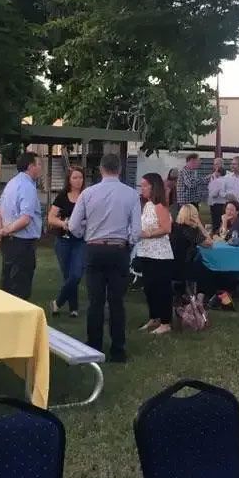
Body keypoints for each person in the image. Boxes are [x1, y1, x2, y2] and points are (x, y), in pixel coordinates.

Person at [69, 153, 141, 363]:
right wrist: (128, 241)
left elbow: (73, 226)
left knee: (95, 301)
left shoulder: (87, 194)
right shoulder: (131, 195)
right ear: (119, 170)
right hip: (119, 249)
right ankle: (118, 349)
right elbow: (136, 230)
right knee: (117, 301)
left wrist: (86, 232)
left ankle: (94, 345)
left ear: (100, 169)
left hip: (94, 248)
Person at [0, 152, 43, 299]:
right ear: (30, 166)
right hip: (22, 243)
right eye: (38, 164)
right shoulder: (27, 187)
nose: (40, 168)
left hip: (9, 242)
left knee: (7, 282)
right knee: (20, 286)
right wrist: (5, 230)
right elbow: (25, 219)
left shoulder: (11, 183)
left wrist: (0, 228)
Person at [135, 173, 175, 335]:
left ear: (153, 186)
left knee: (161, 288)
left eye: (145, 185)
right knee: (149, 287)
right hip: (146, 252)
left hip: (160, 254)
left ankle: (166, 321)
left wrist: (148, 234)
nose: (142, 188)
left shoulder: (160, 206)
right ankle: (154, 317)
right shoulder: (147, 205)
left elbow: (166, 229)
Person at [47, 165, 86, 318]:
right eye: (75, 178)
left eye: (80, 177)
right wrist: (63, 224)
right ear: (69, 180)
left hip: (81, 240)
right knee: (68, 275)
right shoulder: (62, 196)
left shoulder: (87, 195)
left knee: (76, 274)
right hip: (63, 240)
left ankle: (57, 302)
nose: (78, 181)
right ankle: (73, 307)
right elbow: (51, 218)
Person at [171, 204, 213, 294]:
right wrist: (200, 225)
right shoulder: (192, 231)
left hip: (171, 263)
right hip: (185, 266)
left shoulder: (174, 227)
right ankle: (200, 298)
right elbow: (210, 243)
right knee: (206, 269)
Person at [207, 166, 227, 234]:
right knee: (223, 221)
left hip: (216, 204)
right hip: (224, 204)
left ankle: (216, 236)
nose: (214, 173)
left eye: (215, 171)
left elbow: (214, 194)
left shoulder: (217, 181)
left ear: (219, 173)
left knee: (216, 222)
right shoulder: (226, 180)